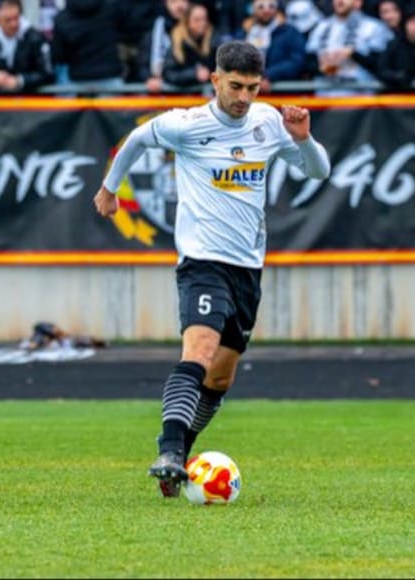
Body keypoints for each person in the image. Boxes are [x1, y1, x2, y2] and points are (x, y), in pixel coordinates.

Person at [93, 40, 329, 495]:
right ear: (215, 79)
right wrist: (109, 188)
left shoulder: (268, 122)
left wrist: (303, 138)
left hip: (247, 268)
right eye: (236, 86)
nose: (244, 97)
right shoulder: (187, 125)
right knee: (199, 352)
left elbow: (319, 172)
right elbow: (136, 140)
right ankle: (169, 450)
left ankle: (179, 456)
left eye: (253, 88)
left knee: (220, 376)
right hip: (202, 261)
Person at [0, 0, 52, 93]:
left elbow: (47, 72)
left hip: (29, 96)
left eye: (16, 18)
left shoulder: (34, 38)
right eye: (8, 20)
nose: (14, 24)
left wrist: (20, 80)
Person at [234, 0, 305, 86]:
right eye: (261, 7)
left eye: (271, 6)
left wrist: (267, 75)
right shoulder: (242, 34)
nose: (266, 11)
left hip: (280, 89)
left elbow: (296, 61)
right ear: (252, 9)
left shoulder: (290, 32)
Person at [163, 2, 216, 89]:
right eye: (197, 20)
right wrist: (194, 74)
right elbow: (169, 74)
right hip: (183, 94)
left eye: (204, 19)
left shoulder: (214, 41)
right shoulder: (177, 44)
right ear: (187, 21)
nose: (202, 23)